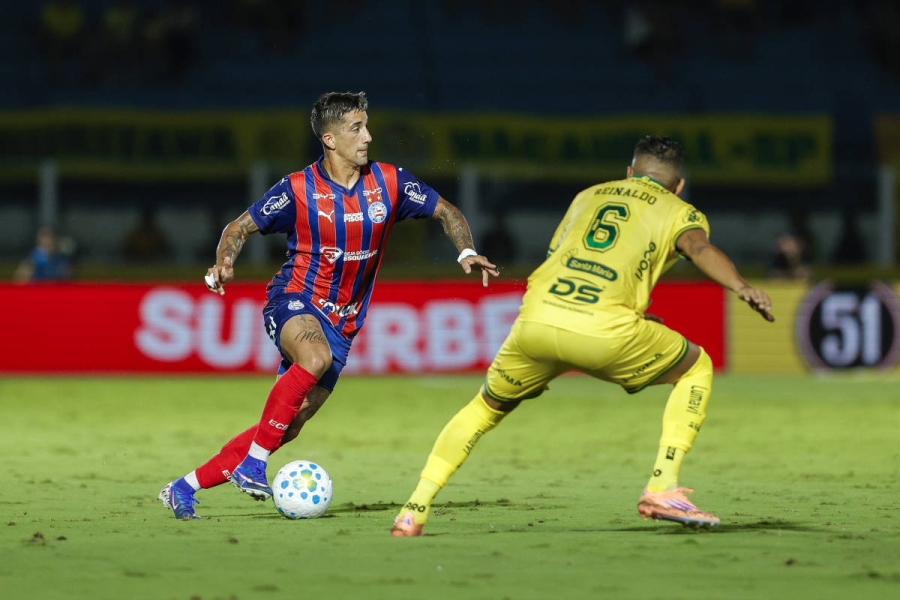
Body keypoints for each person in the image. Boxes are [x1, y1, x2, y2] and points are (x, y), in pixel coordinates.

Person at [390, 136, 775, 536]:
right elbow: (699, 248)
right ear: (678, 186)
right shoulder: (681, 210)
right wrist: (742, 286)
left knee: (483, 409)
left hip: (537, 320)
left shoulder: (587, 196)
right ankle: (663, 487)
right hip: (605, 331)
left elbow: (559, 258)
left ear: (629, 172)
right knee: (696, 368)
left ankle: (413, 510)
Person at [158, 91, 499, 520]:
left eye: (367, 126)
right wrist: (224, 262)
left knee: (288, 425)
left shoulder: (390, 182)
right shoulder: (298, 189)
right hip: (294, 299)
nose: (368, 136)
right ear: (330, 139)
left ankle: (184, 488)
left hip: (343, 324)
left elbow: (446, 212)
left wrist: (466, 251)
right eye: (357, 128)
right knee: (314, 359)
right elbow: (239, 228)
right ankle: (254, 465)